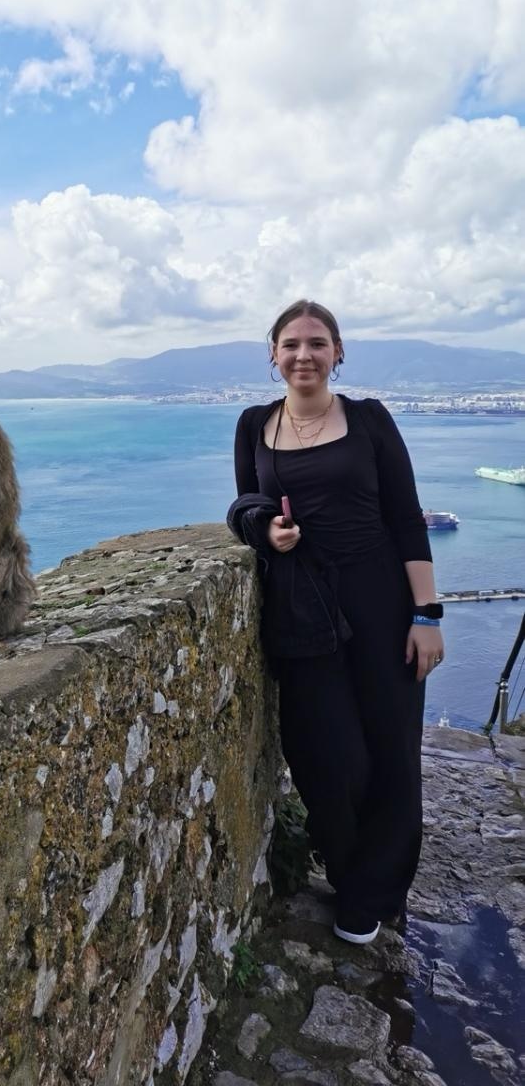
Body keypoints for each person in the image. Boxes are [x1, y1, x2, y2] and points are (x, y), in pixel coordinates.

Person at [228, 299, 444, 944]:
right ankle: (347, 867)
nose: (304, 354)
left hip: (380, 599)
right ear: (272, 355)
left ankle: (371, 893)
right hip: (303, 605)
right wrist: (266, 525)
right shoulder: (253, 424)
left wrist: (426, 614)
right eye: (291, 344)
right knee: (325, 751)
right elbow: (246, 500)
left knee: (391, 748)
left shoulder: (370, 420)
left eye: (317, 343)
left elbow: (407, 518)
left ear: (338, 353)